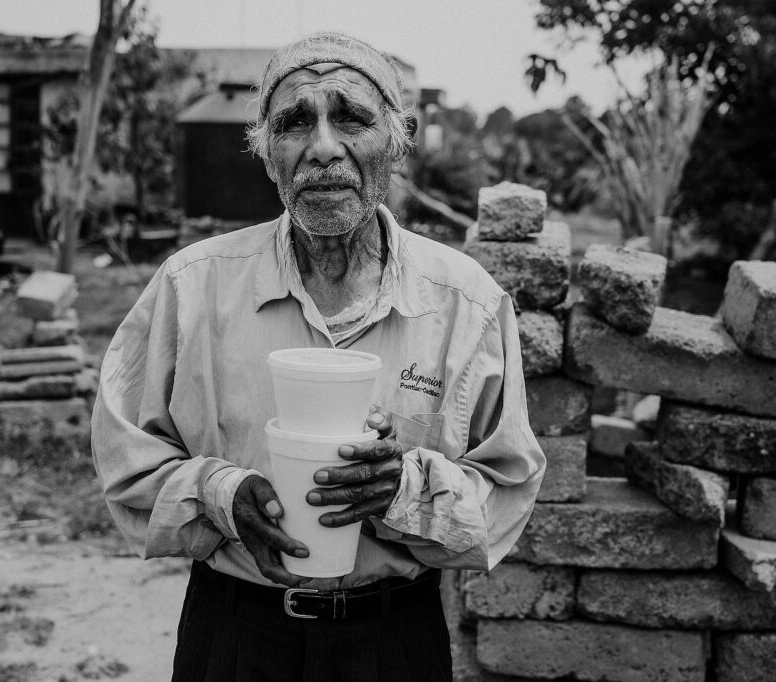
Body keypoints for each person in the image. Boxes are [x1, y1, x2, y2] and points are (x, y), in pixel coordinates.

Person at [91, 31, 545, 681]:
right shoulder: (192, 287)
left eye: (351, 118)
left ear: (398, 140)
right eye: (295, 122)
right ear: (267, 152)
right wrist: (221, 495)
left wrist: (403, 489)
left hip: (393, 641)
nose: (323, 147)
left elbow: (507, 491)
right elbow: (125, 462)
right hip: (235, 634)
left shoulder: (465, 303)